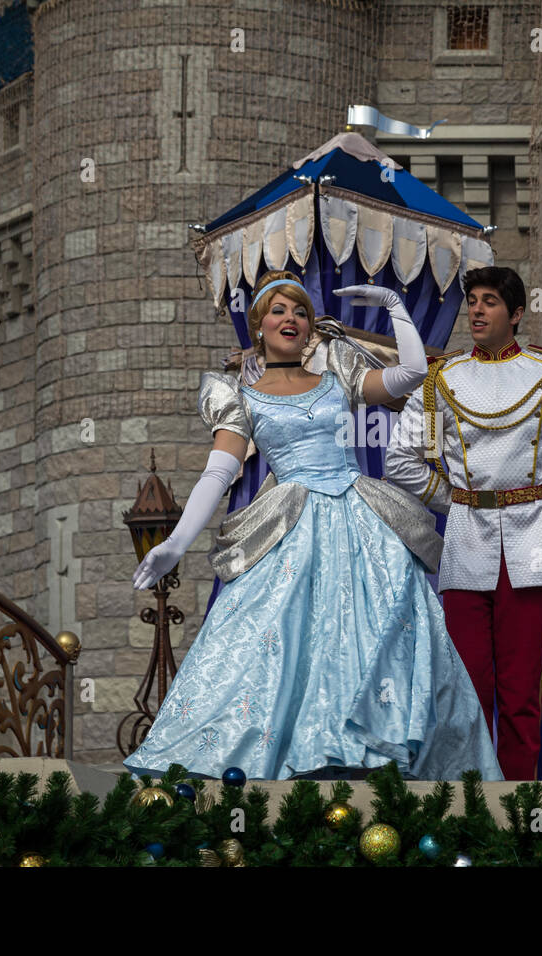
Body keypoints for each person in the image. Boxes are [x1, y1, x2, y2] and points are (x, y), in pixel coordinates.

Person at [124, 270, 502, 782]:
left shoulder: (339, 371)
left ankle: (371, 755)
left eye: (300, 311)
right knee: (271, 637)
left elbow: (411, 374)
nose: (291, 319)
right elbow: (220, 471)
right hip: (291, 520)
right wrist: (176, 542)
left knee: (382, 628)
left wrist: (395, 304)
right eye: (278, 310)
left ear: (309, 327)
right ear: (258, 325)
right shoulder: (237, 394)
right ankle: (289, 759)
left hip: (359, 516)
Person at [385, 266, 542, 780]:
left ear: (515, 314)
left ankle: (518, 800)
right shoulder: (441, 378)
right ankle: (467, 799)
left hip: (531, 544)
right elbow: (400, 459)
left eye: (489, 301)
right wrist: (454, 500)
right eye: (472, 300)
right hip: (466, 540)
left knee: (519, 690)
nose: (476, 310)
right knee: (464, 687)